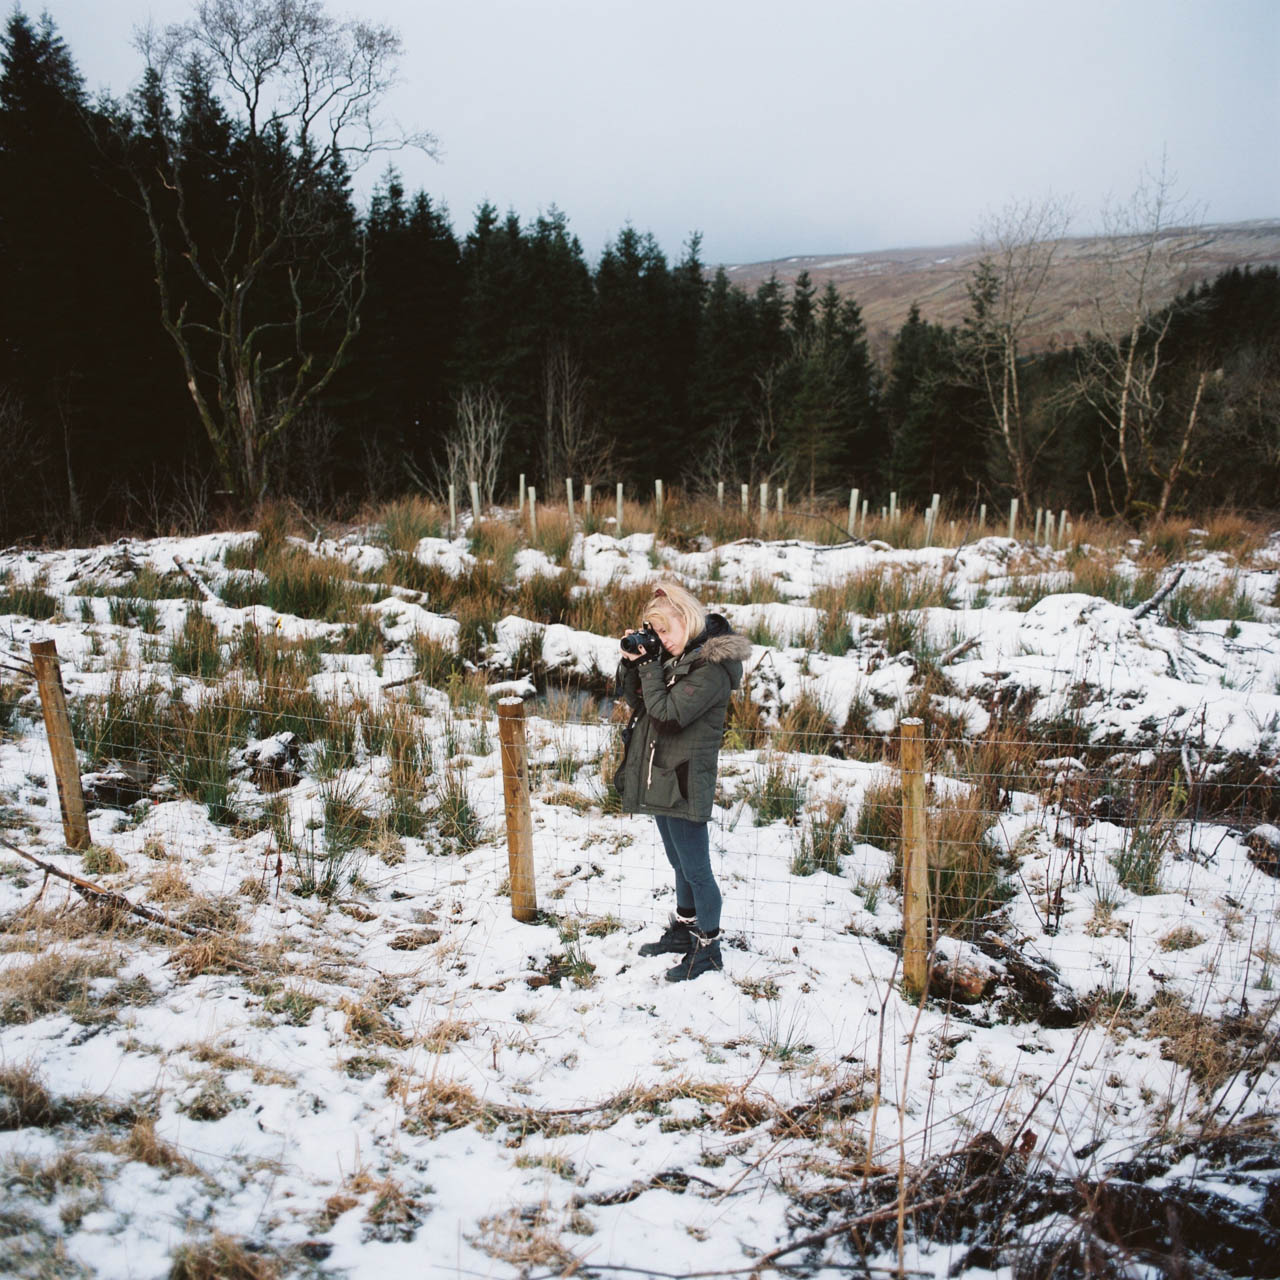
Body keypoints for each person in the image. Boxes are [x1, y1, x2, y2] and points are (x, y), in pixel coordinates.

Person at [614, 582, 751, 981]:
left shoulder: (711, 668)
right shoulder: (679, 654)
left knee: (697, 870)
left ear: (688, 620)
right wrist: (633, 663)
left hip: (687, 778)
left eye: (667, 632)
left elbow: (669, 715)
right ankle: (684, 930)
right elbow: (641, 702)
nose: (662, 640)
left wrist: (650, 667)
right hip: (665, 773)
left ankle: (708, 947)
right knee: (678, 862)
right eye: (656, 633)